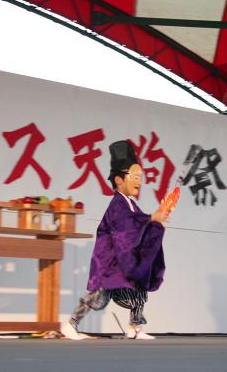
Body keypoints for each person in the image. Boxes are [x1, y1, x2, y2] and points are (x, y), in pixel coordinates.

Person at [61, 140, 168, 340]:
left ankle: (134, 328)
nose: (139, 181)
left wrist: (156, 223)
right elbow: (128, 225)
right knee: (98, 297)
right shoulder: (118, 205)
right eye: (135, 177)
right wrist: (151, 219)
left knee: (138, 290)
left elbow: (139, 225)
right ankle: (70, 325)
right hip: (109, 262)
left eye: (140, 177)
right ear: (119, 180)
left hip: (122, 262)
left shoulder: (132, 206)